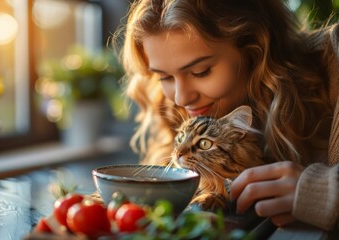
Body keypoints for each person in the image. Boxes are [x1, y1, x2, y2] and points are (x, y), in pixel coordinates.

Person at [115, 0, 339, 231]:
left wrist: (323, 192)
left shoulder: (335, 62)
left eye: (200, 72)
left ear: (254, 48)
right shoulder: (177, 111)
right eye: (165, 78)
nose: (181, 99)